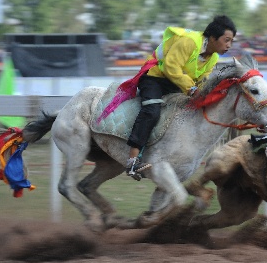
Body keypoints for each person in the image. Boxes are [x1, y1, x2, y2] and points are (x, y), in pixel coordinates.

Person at [99, 15, 237, 179]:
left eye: (231, 41)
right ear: (213, 37)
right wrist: (192, 89)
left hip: (176, 84)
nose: (229, 45)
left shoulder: (213, 57)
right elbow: (171, 68)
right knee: (152, 111)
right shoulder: (190, 42)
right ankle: (132, 160)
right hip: (155, 78)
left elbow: (201, 81)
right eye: (226, 40)